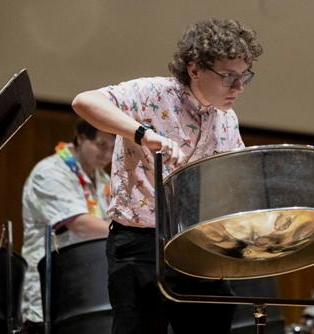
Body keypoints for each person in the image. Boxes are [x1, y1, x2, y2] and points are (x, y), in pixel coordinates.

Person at [71, 18, 263, 334]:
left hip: (196, 245)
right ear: (195, 69)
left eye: (244, 77)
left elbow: (238, 175)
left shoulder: (226, 119)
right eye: (228, 77)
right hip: (140, 243)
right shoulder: (153, 93)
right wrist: (142, 133)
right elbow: (85, 101)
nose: (238, 88)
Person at [21, 118, 115, 332]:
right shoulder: (50, 172)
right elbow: (81, 225)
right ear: (81, 138)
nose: (107, 155)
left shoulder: (103, 178)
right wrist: (130, 234)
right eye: (102, 145)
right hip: (51, 291)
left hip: (88, 289)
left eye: (112, 149)